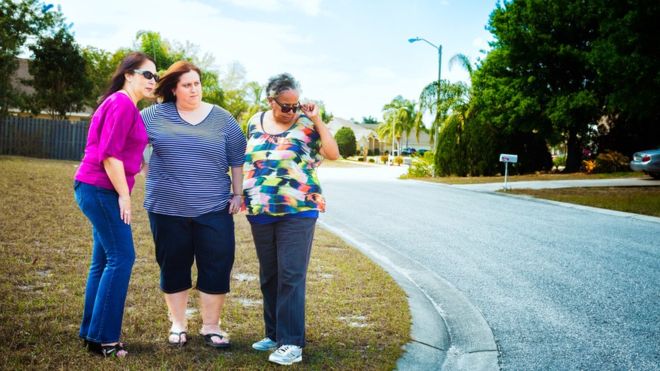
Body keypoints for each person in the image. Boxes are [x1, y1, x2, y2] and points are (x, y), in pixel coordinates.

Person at [140, 61, 246, 349]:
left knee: (217, 264)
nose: (193, 89)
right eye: (186, 84)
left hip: (214, 208)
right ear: (173, 88)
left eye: (197, 83)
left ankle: (211, 326)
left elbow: (238, 157)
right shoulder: (151, 115)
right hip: (166, 207)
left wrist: (238, 194)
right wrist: (150, 174)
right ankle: (178, 324)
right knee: (173, 264)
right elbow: (134, 147)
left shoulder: (222, 118)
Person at [243, 73, 339, 366]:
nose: (291, 111)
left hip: (298, 210)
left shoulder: (308, 124)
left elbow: (333, 153)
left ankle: (292, 343)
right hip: (261, 210)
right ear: (270, 101)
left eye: (295, 105)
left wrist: (317, 119)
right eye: (285, 105)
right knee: (269, 275)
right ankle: (274, 334)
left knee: (291, 275)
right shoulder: (253, 122)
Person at [73, 51, 157, 357]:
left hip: (96, 188)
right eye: (148, 74)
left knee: (104, 261)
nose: (153, 81)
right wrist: (124, 194)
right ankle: (104, 339)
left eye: (156, 77)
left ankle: (91, 333)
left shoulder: (124, 105)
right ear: (129, 74)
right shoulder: (121, 103)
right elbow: (109, 154)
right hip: (101, 189)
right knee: (122, 257)